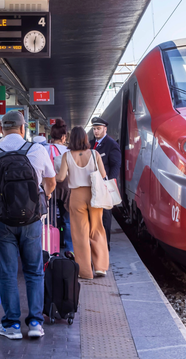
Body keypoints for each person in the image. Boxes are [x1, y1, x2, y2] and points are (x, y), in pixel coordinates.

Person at [0, 111, 56, 340]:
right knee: (34, 271)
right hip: (31, 220)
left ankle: (11, 325)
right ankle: (35, 324)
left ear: (2, 129)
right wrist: (44, 197)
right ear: (23, 129)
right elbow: (51, 182)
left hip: (2, 221)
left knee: (8, 273)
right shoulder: (37, 150)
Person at [56, 126, 108, 279]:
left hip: (76, 196)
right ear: (86, 139)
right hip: (94, 194)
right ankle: (100, 267)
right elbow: (103, 174)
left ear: (71, 139)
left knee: (80, 233)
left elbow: (61, 177)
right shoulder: (94, 154)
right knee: (97, 228)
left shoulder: (67, 156)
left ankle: (85, 271)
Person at [89, 117, 121, 250]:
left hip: (104, 186)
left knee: (106, 217)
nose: (96, 131)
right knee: (93, 216)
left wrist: (109, 183)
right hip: (91, 186)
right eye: (94, 129)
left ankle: (105, 245)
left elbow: (115, 165)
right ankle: (95, 244)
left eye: (98, 129)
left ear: (105, 129)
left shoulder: (111, 144)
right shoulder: (90, 143)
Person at [48, 119, 73, 254]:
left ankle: (52, 248)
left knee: (50, 220)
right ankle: (70, 249)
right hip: (66, 188)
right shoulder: (69, 151)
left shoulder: (45, 149)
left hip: (50, 187)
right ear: (64, 137)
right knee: (67, 221)